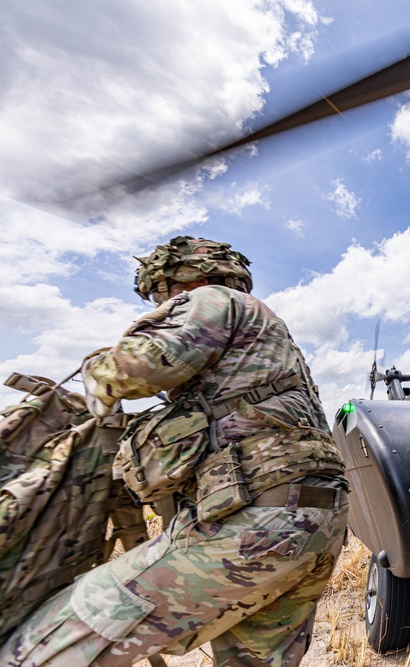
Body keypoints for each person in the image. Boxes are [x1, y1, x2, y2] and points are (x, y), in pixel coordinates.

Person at [0, 236, 349, 667]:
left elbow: (143, 365)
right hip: (317, 522)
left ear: (179, 279)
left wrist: (96, 370)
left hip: (257, 522)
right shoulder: (274, 345)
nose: (158, 301)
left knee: (47, 638)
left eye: (158, 293)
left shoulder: (212, 298)